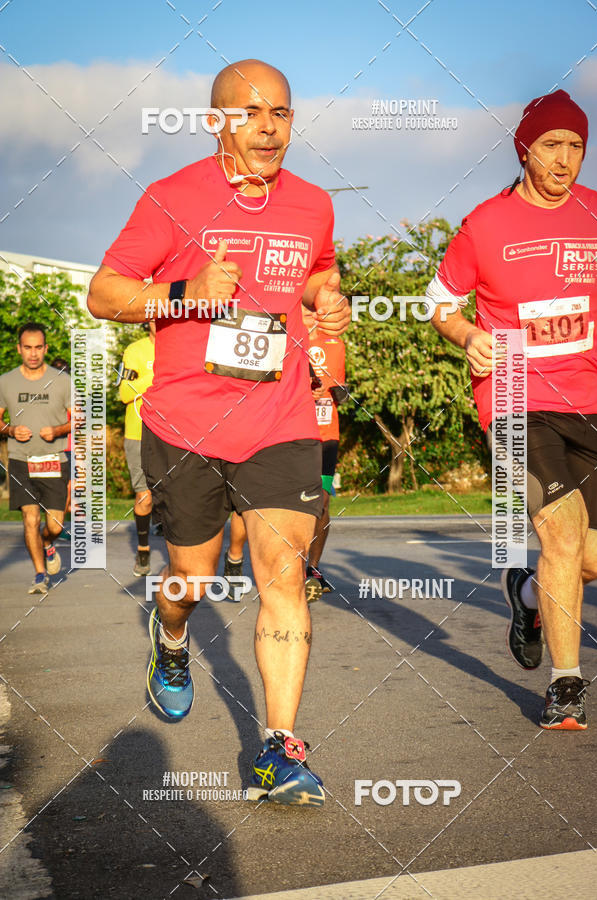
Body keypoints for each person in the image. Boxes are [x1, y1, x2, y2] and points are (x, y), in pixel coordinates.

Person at [87, 59, 350, 804]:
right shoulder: (171, 198)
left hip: (281, 418)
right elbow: (103, 293)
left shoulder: (313, 204)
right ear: (217, 121)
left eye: (283, 113)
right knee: (190, 582)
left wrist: (333, 303)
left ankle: (280, 749)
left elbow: (319, 276)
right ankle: (170, 639)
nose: (269, 127)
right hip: (188, 426)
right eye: (251, 112)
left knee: (283, 578)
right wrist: (183, 294)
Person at [428, 90, 597, 730]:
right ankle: (565, 686)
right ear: (525, 149)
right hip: (515, 400)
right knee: (559, 529)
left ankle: (529, 595)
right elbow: (439, 302)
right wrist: (469, 335)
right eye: (552, 145)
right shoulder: (486, 224)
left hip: (590, 400)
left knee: (588, 558)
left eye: (577, 147)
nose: (565, 160)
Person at [0, 323, 71, 594]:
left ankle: (48, 544)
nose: (33, 353)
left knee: (54, 525)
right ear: (19, 349)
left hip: (53, 460)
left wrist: (57, 430)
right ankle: (40, 575)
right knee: (30, 519)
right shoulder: (6, 381)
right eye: (27, 347)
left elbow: (78, 419)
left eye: (38, 347)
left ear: (46, 348)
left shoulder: (62, 380)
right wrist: (10, 429)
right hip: (20, 459)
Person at [304, 307, 347, 600]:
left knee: (322, 503)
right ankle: (288, 568)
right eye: (305, 311)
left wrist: (329, 389)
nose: (310, 317)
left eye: (313, 311)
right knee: (291, 506)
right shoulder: (281, 337)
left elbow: (343, 392)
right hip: (289, 435)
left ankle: (313, 569)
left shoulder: (333, 343)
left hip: (326, 435)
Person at [118, 322, 156, 576]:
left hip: (179, 433)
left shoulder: (185, 346)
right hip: (140, 433)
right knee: (145, 497)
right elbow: (123, 392)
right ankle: (143, 549)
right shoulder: (135, 350)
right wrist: (157, 375)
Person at [50, 357, 72, 542]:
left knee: (67, 489)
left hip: (69, 447)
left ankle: (58, 525)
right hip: (53, 447)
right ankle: (55, 526)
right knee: (58, 489)